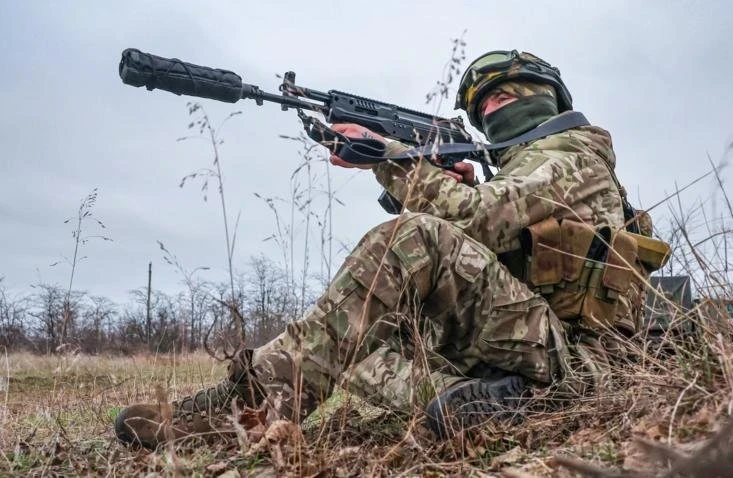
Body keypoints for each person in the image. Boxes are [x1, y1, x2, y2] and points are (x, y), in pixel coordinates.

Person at [115, 50, 650, 449]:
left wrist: (387, 156)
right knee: (352, 338)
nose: (491, 109)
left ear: (547, 97)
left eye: (504, 97)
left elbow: (477, 219)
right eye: (483, 106)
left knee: (408, 238)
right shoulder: (521, 173)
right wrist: (438, 178)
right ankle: (480, 403)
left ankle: (244, 411)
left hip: (571, 357)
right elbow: (483, 240)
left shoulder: (573, 155)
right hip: (518, 353)